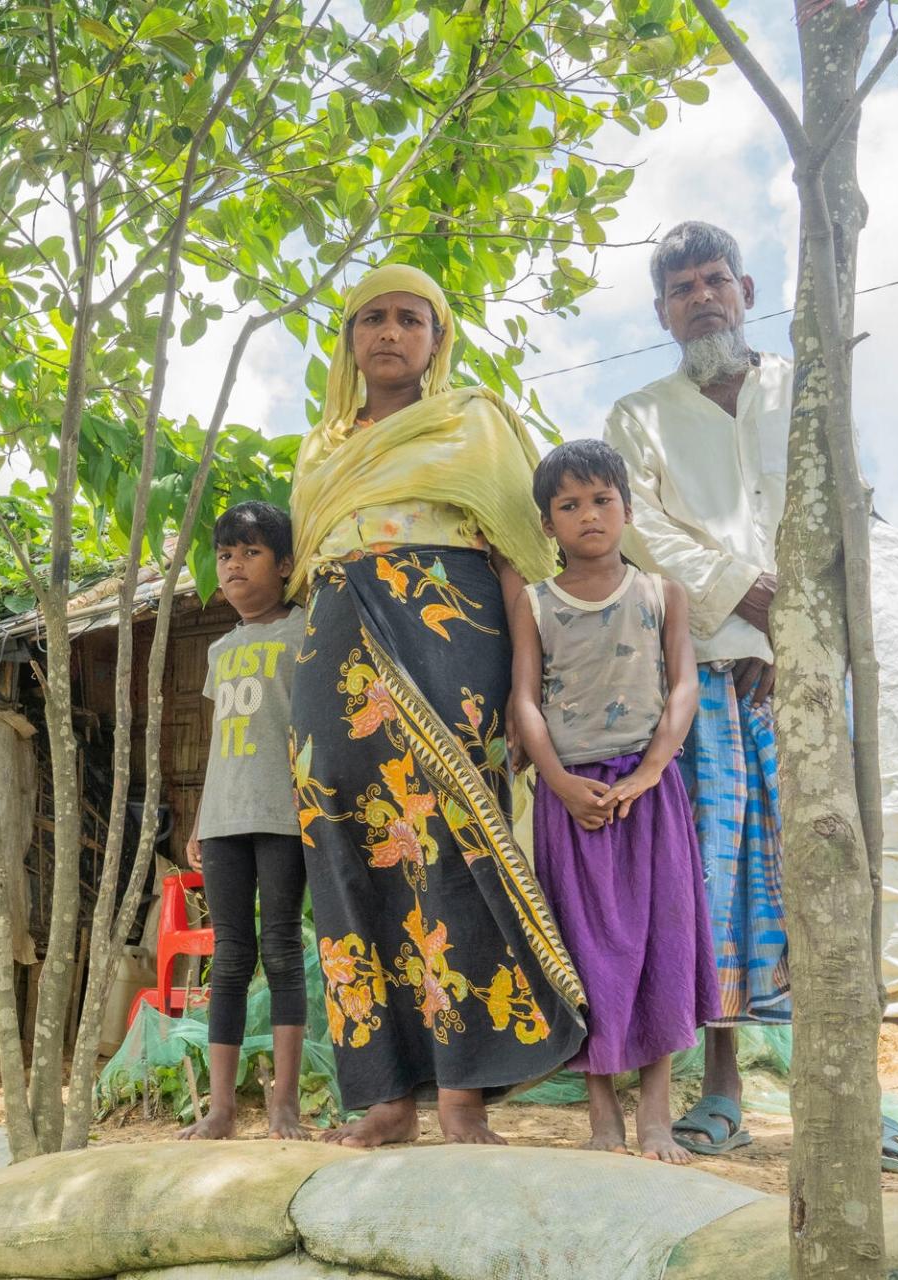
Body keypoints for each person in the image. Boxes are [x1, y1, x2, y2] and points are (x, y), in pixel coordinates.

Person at [605, 220, 898, 1171]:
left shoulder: (805, 390)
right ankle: (722, 1093)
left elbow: (843, 505)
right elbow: (643, 533)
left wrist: (807, 627)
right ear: (661, 311)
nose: (701, 297)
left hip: (810, 675)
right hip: (698, 672)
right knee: (713, 882)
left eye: (713, 280)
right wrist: (752, 599)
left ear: (744, 289)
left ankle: (863, 1100)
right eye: (681, 287)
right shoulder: (637, 416)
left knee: (830, 872)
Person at [287, 262, 587, 1148]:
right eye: (370, 318)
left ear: (437, 336)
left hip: (451, 637)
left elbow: (520, 563)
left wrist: (526, 697)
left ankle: (462, 1095)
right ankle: (384, 1098)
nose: (389, 332)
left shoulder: (476, 423)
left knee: (452, 847)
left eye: (409, 319)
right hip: (332, 645)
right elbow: (306, 564)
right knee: (344, 856)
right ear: (347, 339)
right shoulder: (318, 447)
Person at [508, 438, 718, 1162]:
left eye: (602, 500)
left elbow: (683, 685)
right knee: (582, 948)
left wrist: (652, 770)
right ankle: (602, 1118)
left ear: (627, 509)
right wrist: (558, 782)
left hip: (649, 795)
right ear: (548, 524)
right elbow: (525, 702)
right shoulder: (535, 603)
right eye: (568, 505)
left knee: (662, 941)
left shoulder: (663, 593)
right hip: (572, 800)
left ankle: (656, 1115)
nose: (588, 515)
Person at [180, 501, 309, 1141]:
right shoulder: (220, 649)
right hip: (226, 818)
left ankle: (285, 1104)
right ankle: (223, 1108)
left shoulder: (305, 632)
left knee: (283, 951)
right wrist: (201, 818)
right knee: (229, 959)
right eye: (226, 555)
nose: (234, 565)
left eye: (250, 552)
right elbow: (217, 742)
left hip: (285, 816)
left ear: (284, 566)